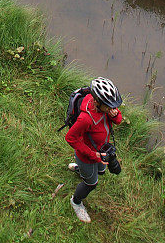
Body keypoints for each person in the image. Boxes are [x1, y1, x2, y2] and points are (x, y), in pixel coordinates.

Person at [65, 77, 123, 223]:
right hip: (88, 157)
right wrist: (93, 155)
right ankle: (76, 202)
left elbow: (118, 120)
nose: (112, 108)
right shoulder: (86, 118)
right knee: (91, 184)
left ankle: (80, 170)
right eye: (109, 106)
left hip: (100, 152)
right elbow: (70, 138)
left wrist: (115, 115)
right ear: (97, 102)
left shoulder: (103, 104)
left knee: (101, 171)